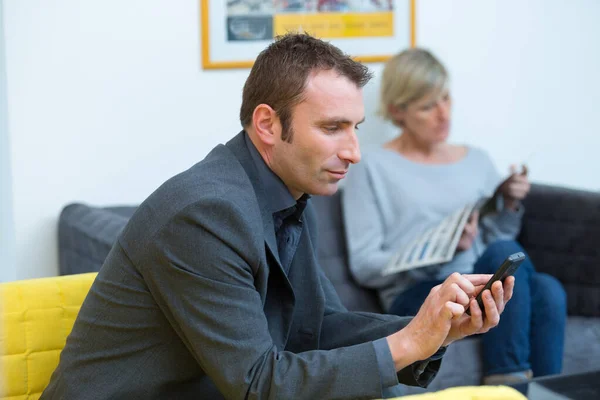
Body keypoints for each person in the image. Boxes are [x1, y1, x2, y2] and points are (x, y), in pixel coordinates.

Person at [41, 35, 514, 400]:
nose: (353, 152)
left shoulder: (283, 190)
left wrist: (433, 328)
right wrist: (407, 344)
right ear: (267, 124)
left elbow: (319, 327)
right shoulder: (204, 214)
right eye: (332, 128)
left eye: (356, 129)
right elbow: (256, 384)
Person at [341, 48, 566, 386]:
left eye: (445, 98)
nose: (443, 114)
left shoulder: (476, 160)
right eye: (428, 106)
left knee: (548, 289)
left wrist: (508, 205)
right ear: (397, 111)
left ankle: (546, 392)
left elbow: (498, 239)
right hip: (420, 291)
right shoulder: (372, 168)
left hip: (480, 282)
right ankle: (509, 381)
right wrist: (439, 252)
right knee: (521, 273)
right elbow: (365, 264)